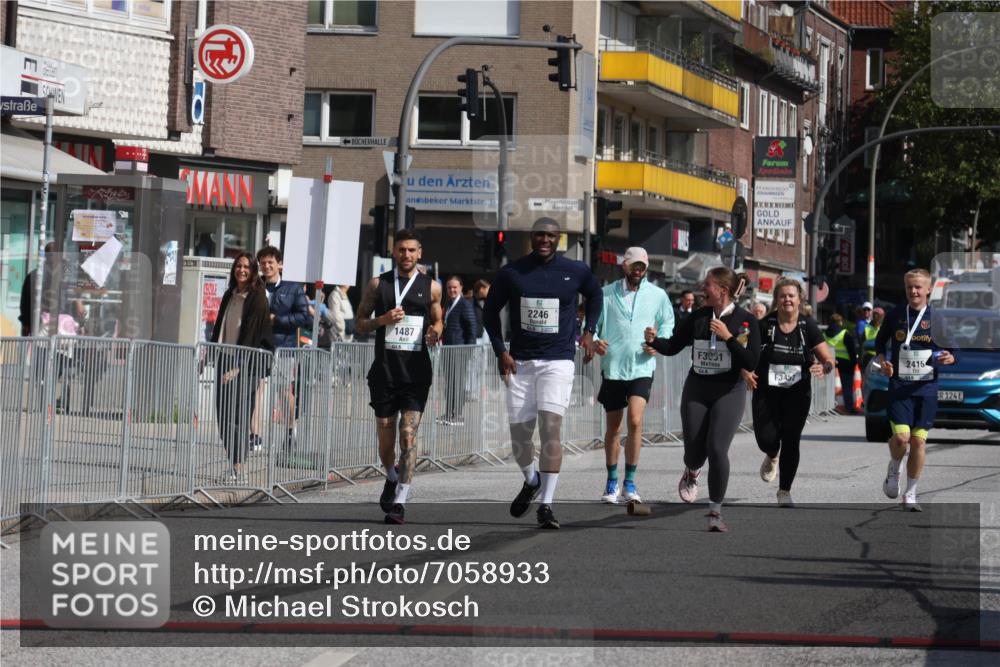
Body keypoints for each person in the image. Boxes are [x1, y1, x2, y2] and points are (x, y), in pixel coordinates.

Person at [484, 217, 602, 530]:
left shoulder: (575, 270)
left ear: (558, 238)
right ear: (532, 237)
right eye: (539, 235)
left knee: (551, 428)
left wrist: (589, 332)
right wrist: (501, 351)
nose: (545, 240)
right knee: (520, 437)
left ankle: (547, 505)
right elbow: (489, 312)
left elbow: (596, 296)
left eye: (550, 235)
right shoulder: (513, 272)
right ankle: (531, 479)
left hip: (558, 361)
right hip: (520, 362)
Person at [644, 266, 760, 532]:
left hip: (729, 390)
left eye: (706, 285)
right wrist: (655, 340)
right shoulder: (697, 317)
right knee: (694, 450)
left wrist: (728, 337)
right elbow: (673, 346)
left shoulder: (745, 321)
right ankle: (692, 471)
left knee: (717, 449)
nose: (702, 289)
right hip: (697, 387)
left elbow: (752, 360)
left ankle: (715, 513)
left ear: (722, 290)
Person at [355, 229, 443, 524]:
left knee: (408, 435)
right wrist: (382, 320)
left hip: (416, 373)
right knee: (386, 436)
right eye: (401, 250)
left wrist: (435, 333)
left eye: (411, 250)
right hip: (384, 372)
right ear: (394, 252)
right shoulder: (378, 284)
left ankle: (401, 501)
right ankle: (391, 475)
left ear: (420, 253)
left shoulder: (432, 287)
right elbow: (359, 323)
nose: (406, 255)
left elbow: (439, 319)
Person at [742, 278, 834, 506]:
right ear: (776, 299)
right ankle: (772, 453)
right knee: (767, 438)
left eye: (791, 296)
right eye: (782, 296)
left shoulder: (807, 326)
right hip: (766, 392)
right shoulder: (764, 325)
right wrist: (745, 371)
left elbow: (828, 359)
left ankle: (784, 491)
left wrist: (824, 366)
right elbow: (746, 353)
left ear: (799, 299)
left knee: (791, 440)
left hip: (797, 393)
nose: (787, 300)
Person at [593, 247, 674, 504]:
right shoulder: (605, 294)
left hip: (642, 365)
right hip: (614, 367)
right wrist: (596, 341)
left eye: (642, 266)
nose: (638, 270)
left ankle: (630, 481)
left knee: (636, 421)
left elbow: (669, 324)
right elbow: (591, 327)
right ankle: (611, 481)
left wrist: (658, 342)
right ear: (624, 266)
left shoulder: (658, 295)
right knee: (614, 426)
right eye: (634, 266)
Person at [874, 269, 955, 511]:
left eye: (919, 287)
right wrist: (883, 361)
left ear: (928, 289)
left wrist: (951, 357)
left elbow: (952, 348)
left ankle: (910, 494)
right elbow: (880, 342)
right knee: (901, 438)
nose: (914, 291)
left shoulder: (937, 318)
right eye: (910, 287)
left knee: (918, 443)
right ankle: (895, 466)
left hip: (927, 388)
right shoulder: (896, 314)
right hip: (900, 386)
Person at [209, 253, 273, 484]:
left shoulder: (257, 297)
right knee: (223, 415)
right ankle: (232, 463)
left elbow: (251, 334)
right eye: (238, 266)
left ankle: (238, 467)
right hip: (225, 359)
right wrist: (210, 354)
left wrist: (238, 366)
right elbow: (220, 326)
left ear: (253, 270)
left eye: (246, 267)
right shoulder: (230, 294)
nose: (242, 270)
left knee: (238, 415)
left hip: (246, 364)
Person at [256, 246, 312, 454]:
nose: (267, 266)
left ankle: (290, 431)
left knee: (282, 390)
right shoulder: (256, 287)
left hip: (284, 346)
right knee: (256, 389)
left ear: (279, 264)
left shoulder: (293, 288)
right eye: (263, 263)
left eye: (270, 262)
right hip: (259, 346)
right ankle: (255, 435)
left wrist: (277, 319)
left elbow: (303, 316)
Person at [440, 275, 478, 425]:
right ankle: (449, 413)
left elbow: (472, 328)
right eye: (449, 287)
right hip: (448, 349)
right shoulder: (449, 303)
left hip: (460, 350)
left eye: (455, 287)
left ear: (461, 287)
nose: (452, 290)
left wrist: (468, 350)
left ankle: (458, 414)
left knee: (458, 382)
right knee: (450, 382)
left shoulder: (465, 304)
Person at [823, 313, 859, 414]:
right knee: (847, 386)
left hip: (829, 363)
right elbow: (852, 350)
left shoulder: (825, 334)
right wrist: (854, 362)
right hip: (846, 364)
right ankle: (849, 408)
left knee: (828, 387)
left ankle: (827, 408)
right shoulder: (844, 334)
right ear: (840, 322)